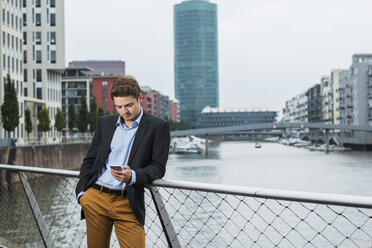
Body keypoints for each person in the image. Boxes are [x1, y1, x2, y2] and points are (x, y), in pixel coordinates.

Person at [75, 76, 170, 248]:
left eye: (129, 105)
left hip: (128, 202)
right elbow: (90, 160)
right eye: (119, 106)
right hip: (95, 198)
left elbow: (158, 167)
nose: (124, 111)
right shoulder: (105, 123)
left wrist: (133, 175)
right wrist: (82, 194)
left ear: (140, 98)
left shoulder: (158, 126)